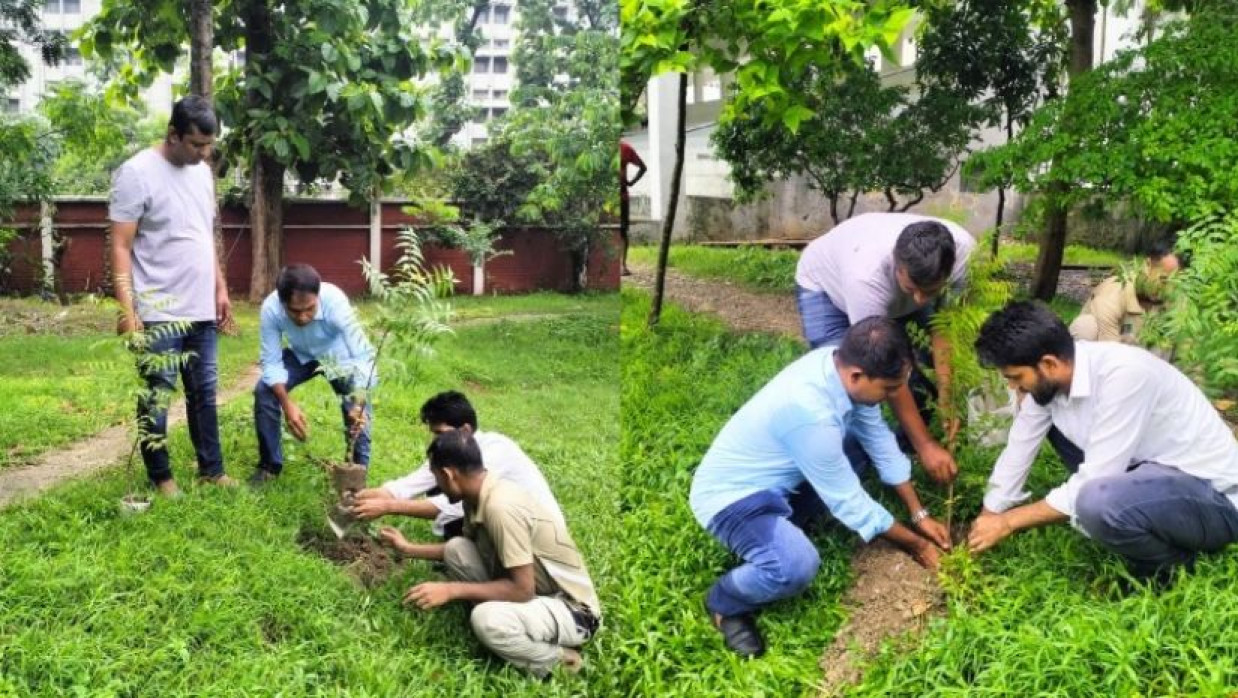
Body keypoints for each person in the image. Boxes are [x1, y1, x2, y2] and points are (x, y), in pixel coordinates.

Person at [690, 317, 950, 658]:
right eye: (888, 389)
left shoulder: (839, 366)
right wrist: (918, 545)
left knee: (857, 452)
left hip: (786, 475)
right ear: (857, 375)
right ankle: (726, 602)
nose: (891, 398)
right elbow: (850, 502)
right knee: (795, 566)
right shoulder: (810, 413)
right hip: (733, 499)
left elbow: (878, 439)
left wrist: (919, 513)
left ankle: (788, 525)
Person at [967, 301, 1238, 584]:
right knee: (1054, 430)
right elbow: (1018, 450)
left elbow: (1095, 479)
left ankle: (1171, 570)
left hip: (1214, 497)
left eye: (1015, 377)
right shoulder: (1050, 384)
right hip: (1152, 473)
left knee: (1096, 502)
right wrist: (987, 518)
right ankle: (1128, 513)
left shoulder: (1124, 375)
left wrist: (1008, 522)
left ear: (1049, 363)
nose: (1013, 387)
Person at [379, 430, 601, 677]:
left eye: (436, 478)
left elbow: (522, 589)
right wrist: (408, 548)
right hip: (536, 592)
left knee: (487, 620)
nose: (438, 486)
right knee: (456, 549)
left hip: (573, 611)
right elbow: (467, 547)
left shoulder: (501, 507)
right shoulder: (476, 493)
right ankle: (515, 619)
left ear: (448, 475)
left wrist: (451, 590)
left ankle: (560, 662)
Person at [109, 95, 235, 495]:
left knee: (204, 392)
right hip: (159, 308)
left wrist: (220, 286)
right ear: (173, 134)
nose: (204, 152)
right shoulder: (136, 173)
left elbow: (203, 235)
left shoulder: (201, 172)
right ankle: (161, 477)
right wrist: (127, 310)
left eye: (210, 144)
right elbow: (120, 246)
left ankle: (211, 470)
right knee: (157, 395)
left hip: (200, 306)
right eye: (197, 144)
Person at [795, 212, 977, 484]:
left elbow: (944, 328)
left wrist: (947, 398)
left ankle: (903, 453)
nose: (919, 299)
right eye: (912, 288)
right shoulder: (866, 278)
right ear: (897, 264)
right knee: (855, 386)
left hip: (884, 291)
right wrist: (927, 444)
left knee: (916, 383)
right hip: (825, 288)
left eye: (930, 291)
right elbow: (883, 364)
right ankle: (846, 472)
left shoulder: (962, 254)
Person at [350, 391, 564, 538]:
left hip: (534, 532)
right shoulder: (451, 451)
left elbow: (452, 507)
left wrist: (388, 507)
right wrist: (362, 498)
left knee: (452, 492)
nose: (436, 440)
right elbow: (408, 485)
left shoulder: (494, 452)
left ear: (465, 430)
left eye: (440, 433)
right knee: (440, 480)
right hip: (503, 524)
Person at [249, 264, 375, 486]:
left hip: (339, 357)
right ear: (282, 302)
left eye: (310, 308)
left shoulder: (335, 301)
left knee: (357, 413)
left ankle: (357, 475)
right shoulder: (271, 308)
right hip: (302, 355)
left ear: (317, 297)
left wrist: (359, 400)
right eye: (295, 311)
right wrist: (287, 404)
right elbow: (271, 361)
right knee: (265, 391)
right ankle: (269, 467)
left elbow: (362, 353)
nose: (303, 317)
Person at [1069, 239, 1181, 343]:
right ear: (1147, 266)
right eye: (1164, 279)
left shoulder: (1176, 298)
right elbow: (1109, 353)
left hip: (1143, 353)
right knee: (1085, 327)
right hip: (1104, 347)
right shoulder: (1113, 296)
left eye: (1175, 282)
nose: (1169, 288)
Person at [619, 140, 647, 277]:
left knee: (622, 231)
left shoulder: (625, 148)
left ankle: (622, 265)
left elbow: (643, 167)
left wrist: (631, 182)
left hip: (621, 197)